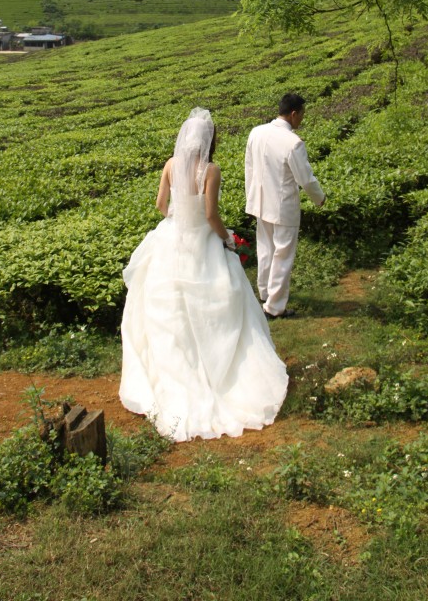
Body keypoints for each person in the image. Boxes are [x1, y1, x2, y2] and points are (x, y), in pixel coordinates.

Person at [119, 107, 288, 442]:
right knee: (224, 297)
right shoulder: (211, 170)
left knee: (166, 309)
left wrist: (174, 220)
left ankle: (174, 377)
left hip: (173, 237)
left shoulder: (170, 165)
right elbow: (211, 214)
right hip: (203, 241)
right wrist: (226, 239)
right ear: (209, 141)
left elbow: (159, 204)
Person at [245, 93, 325, 320]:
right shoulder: (293, 143)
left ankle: (265, 292)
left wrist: (251, 199)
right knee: (283, 255)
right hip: (283, 206)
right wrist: (319, 198)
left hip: (261, 202)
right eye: (301, 115)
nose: (302, 119)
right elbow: (306, 179)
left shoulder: (256, 132)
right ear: (293, 114)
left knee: (265, 249)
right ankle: (275, 306)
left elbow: (249, 168)